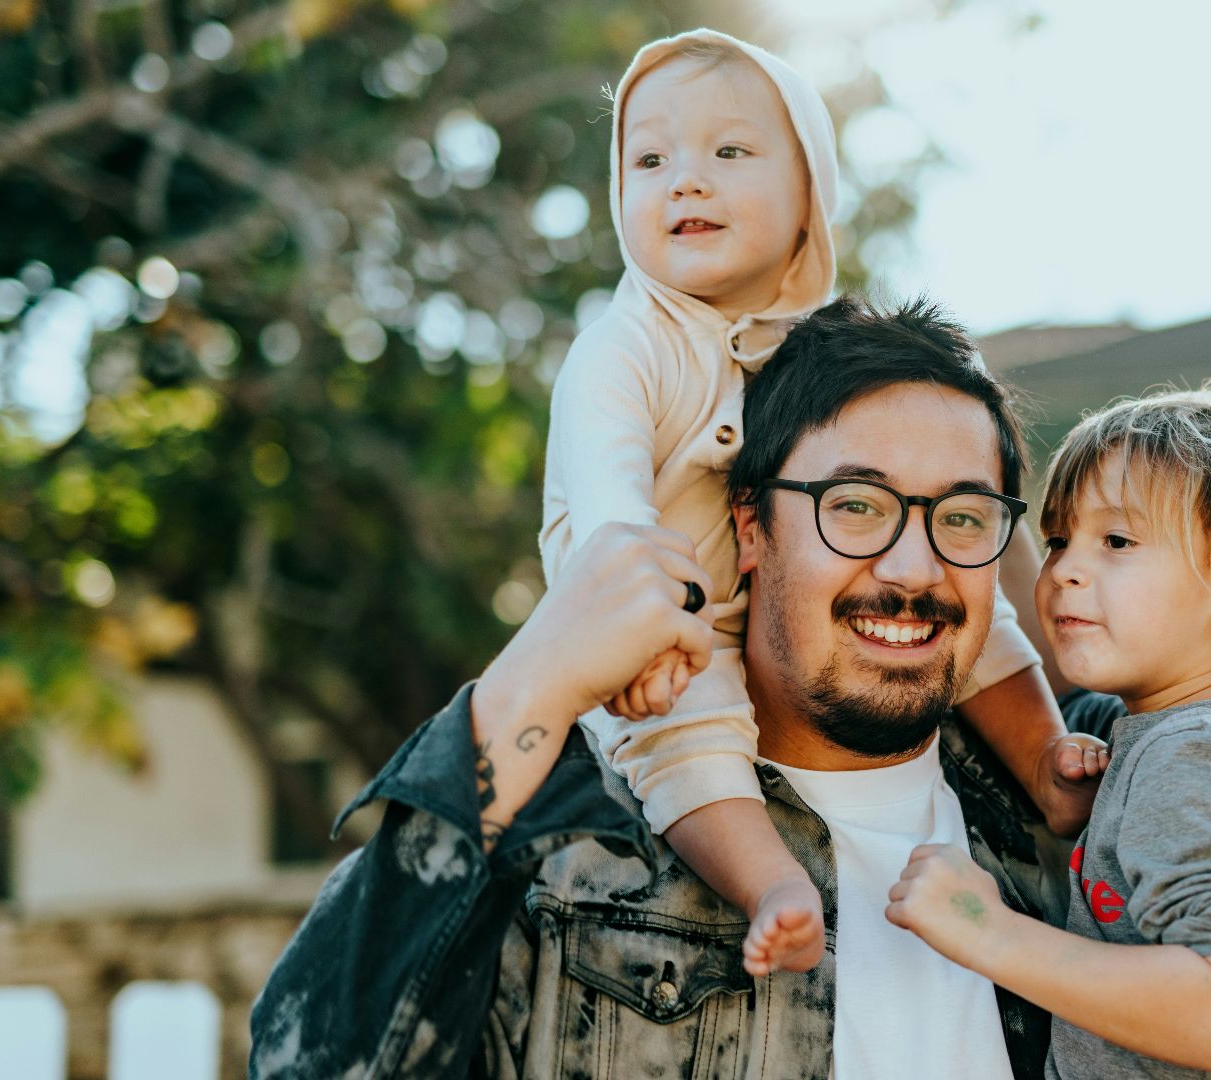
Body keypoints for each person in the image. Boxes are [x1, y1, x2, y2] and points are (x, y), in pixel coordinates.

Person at [251, 296, 1088, 1080]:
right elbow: (314, 1060)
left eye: (963, 517)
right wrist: (533, 676)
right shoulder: (571, 851)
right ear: (749, 526)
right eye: (856, 506)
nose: (914, 568)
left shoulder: (1087, 829)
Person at [539, 28, 1101, 979]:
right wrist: (643, 635)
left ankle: (1047, 763)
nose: (686, 180)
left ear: (811, 196)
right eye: (649, 159)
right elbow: (609, 515)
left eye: (729, 153)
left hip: (738, 610)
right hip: (658, 630)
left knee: (977, 611)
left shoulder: (823, 353)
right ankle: (772, 885)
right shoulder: (624, 346)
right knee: (688, 742)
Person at [887, 387, 1211, 1078]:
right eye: (1058, 540)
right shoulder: (1180, 741)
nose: (1064, 571)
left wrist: (985, 931)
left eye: (1117, 540)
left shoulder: (1190, 759)